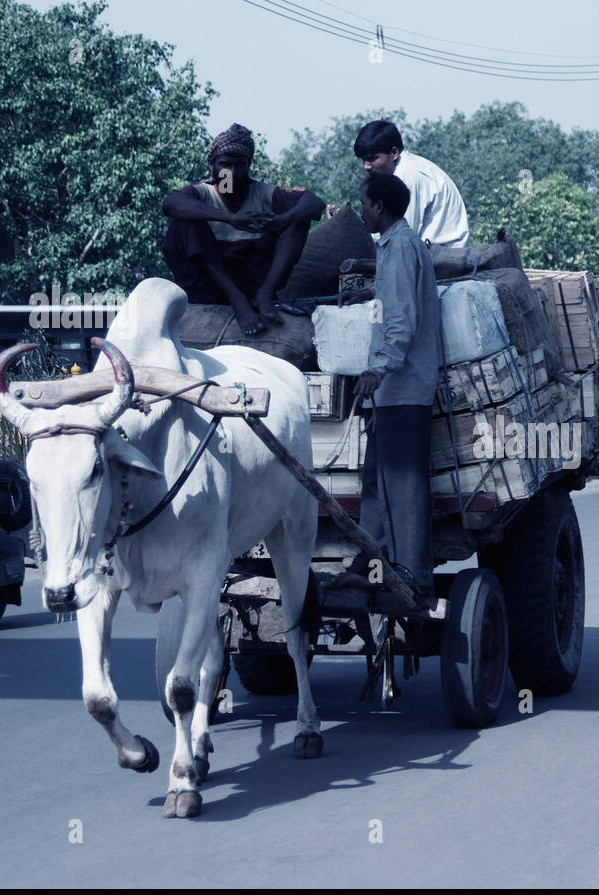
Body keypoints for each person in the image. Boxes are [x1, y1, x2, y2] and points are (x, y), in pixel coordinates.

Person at [334, 173, 442, 598]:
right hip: (392, 392)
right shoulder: (397, 246)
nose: (361, 211)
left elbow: (401, 321)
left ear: (380, 206)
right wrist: (365, 294)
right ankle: (372, 562)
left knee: (404, 484)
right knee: (376, 482)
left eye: (364, 203)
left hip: (404, 386)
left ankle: (413, 575)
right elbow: (393, 297)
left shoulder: (400, 247)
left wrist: (377, 369)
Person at [162, 123, 326, 336]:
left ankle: (264, 295)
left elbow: (314, 203)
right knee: (184, 219)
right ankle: (237, 300)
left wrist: (284, 218)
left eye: (239, 164)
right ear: (211, 167)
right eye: (225, 165)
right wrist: (231, 218)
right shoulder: (201, 193)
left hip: (252, 282)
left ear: (249, 165)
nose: (232, 173)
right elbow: (170, 203)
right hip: (209, 287)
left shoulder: (262, 193)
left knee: (299, 217)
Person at [348, 120, 469, 247]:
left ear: (394, 153)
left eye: (372, 159)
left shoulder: (409, 176)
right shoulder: (400, 172)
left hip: (446, 255)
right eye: (364, 160)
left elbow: (400, 235)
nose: (366, 166)